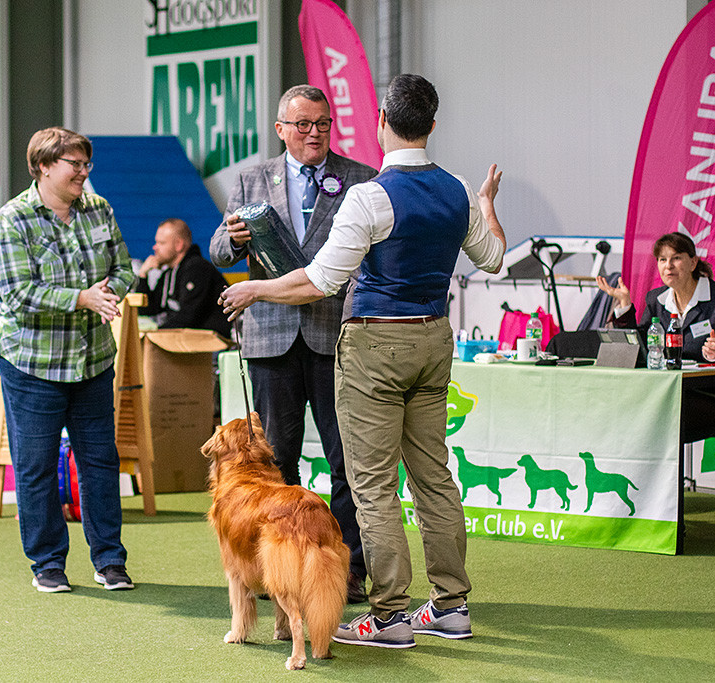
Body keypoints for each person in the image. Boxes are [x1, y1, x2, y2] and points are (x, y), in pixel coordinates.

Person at [219, 74, 506, 648]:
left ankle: (391, 616)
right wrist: (487, 205)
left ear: (380, 123)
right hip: (433, 338)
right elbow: (494, 258)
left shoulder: (370, 193)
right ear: (431, 124)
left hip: (376, 344)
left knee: (372, 485)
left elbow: (322, 279)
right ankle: (451, 606)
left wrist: (256, 290)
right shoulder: (454, 189)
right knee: (434, 478)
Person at [209, 84, 376, 603]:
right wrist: (233, 240)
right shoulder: (251, 178)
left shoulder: (359, 179)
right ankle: (278, 571)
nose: (314, 133)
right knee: (275, 464)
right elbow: (216, 251)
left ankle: (347, 571)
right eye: (302, 124)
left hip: (336, 338)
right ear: (280, 129)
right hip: (270, 340)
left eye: (323, 123)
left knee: (345, 460)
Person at [0, 126, 136, 593]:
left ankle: (110, 561)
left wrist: (107, 293)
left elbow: (124, 269)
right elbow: (15, 294)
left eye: (85, 164)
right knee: (35, 465)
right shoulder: (13, 219)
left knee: (100, 461)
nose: (83, 173)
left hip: (92, 360)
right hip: (31, 363)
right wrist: (81, 298)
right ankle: (48, 564)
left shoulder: (100, 210)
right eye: (74, 164)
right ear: (43, 167)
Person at [596, 231, 715, 365]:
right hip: (666, 383)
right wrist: (624, 304)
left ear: (693, 262)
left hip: (706, 388)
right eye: (662, 259)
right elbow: (640, 347)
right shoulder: (656, 299)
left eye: (676, 258)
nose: (668, 265)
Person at [135, 218, 230, 337]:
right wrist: (143, 276)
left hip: (211, 342)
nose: (155, 247)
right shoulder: (169, 273)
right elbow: (147, 310)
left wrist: (156, 333)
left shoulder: (197, 268)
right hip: (185, 340)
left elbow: (189, 317)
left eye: (161, 243)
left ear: (179, 245)